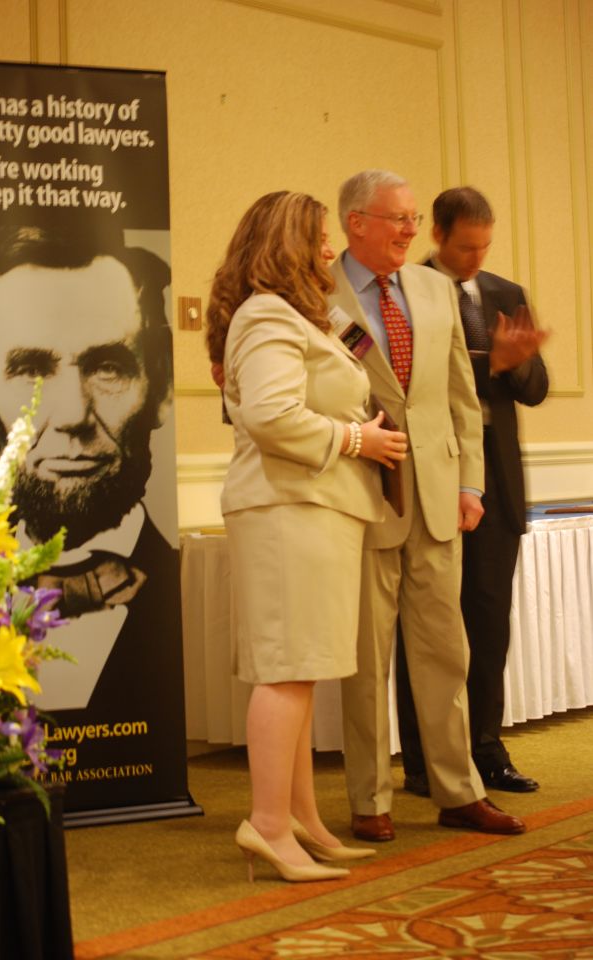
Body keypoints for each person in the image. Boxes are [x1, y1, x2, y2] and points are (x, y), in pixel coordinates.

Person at [205, 190, 408, 882]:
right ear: (290, 243)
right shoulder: (266, 314)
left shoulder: (300, 317)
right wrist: (358, 437)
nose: (330, 249)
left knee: (301, 668)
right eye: (321, 237)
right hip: (288, 506)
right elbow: (268, 414)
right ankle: (266, 826)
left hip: (313, 506)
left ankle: (301, 820)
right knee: (287, 669)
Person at [329, 169, 526, 840]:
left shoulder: (434, 289)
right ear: (356, 223)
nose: (411, 231)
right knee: (365, 658)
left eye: (414, 219)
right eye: (398, 219)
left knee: (446, 652)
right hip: (362, 499)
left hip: (442, 500)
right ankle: (369, 798)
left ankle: (455, 788)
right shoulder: (315, 295)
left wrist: (470, 483)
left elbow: (458, 400)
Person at [0, 225, 188, 807]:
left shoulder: (177, 593)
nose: (70, 414)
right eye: (31, 368)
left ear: (159, 389)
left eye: (108, 367)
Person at [396, 186, 549, 797]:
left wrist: (517, 363)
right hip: (431, 482)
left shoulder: (507, 295)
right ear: (437, 233)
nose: (475, 258)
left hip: (498, 487)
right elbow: (418, 376)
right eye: (465, 246)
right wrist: (492, 364)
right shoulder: (404, 290)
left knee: (488, 624)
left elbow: (535, 390)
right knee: (429, 627)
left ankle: (486, 747)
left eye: (485, 246)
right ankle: (422, 761)